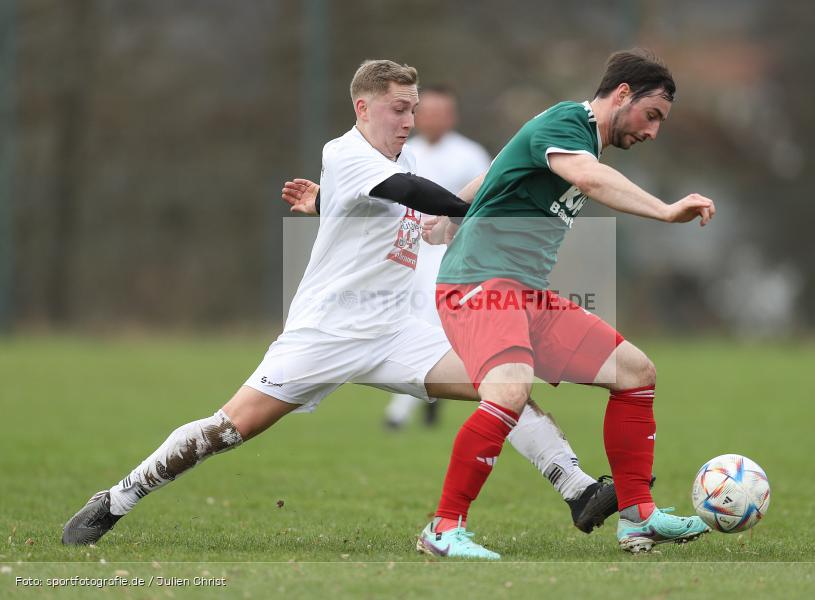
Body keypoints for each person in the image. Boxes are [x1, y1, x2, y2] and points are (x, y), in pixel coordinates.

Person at [61, 60, 623, 551]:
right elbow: (408, 193)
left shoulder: (393, 159)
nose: (409, 120)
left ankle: (578, 490)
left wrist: (329, 206)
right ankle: (116, 499)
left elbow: (391, 211)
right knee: (229, 428)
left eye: (413, 109)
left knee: (501, 384)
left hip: (397, 331)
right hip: (326, 332)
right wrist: (472, 210)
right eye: (398, 109)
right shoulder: (345, 150)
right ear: (363, 107)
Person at [416, 48, 717, 558]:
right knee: (509, 391)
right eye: (651, 115)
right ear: (622, 94)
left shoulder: (570, 136)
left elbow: (498, 169)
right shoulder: (567, 123)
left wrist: (452, 212)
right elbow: (590, 180)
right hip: (479, 284)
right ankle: (443, 528)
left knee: (635, 373)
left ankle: (638, 518)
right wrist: (666, 211)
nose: (652, 131)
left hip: (525, 293)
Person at [384, 85, 492, 429]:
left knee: (430, 318)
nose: (433, 119)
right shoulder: (403, 152)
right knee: (404, 319)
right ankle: (428, 396)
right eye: (427, 112)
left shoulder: (470, 155)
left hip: (446, 252)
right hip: (405, 250)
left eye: (441, 112)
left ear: (452, 116)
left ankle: (398, 413)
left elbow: (485, 202)